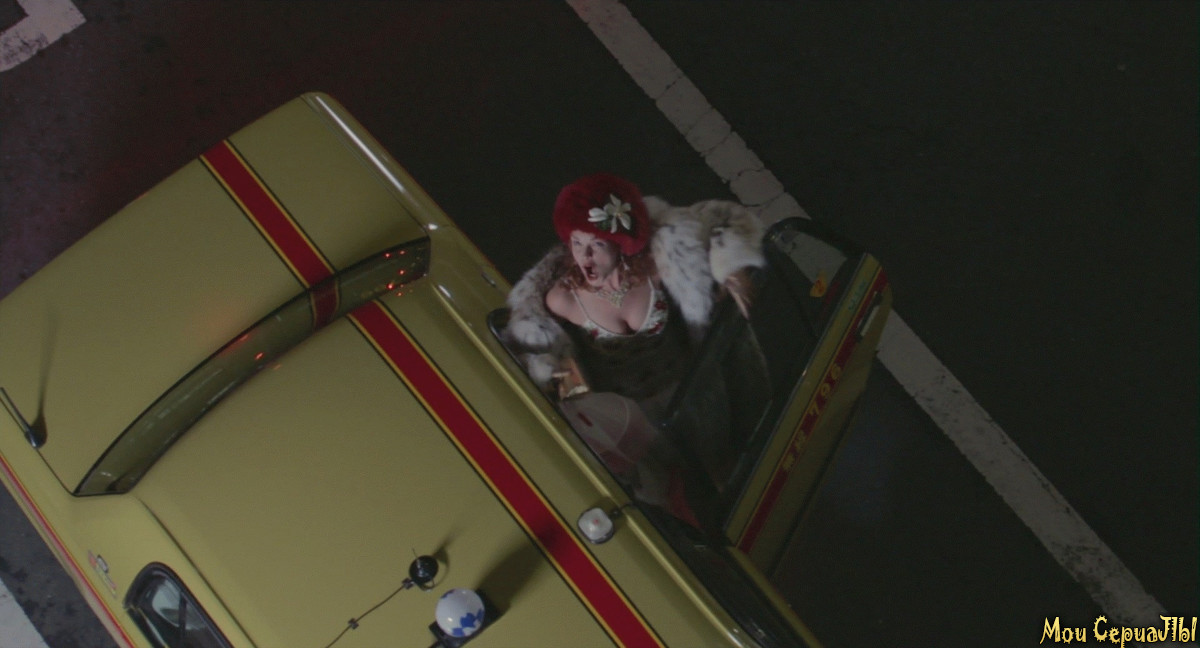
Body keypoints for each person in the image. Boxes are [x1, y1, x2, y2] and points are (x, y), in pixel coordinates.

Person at [504, 172, 767, 420]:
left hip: (696, 393)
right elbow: (541, 361)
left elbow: (722, 218)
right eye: (577, 243)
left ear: (621, 244)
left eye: (597, 244)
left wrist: (729, 267)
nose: (585, 257)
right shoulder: (563, 300)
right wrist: (575, 401)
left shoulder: (656, 264)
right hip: (633, 423)